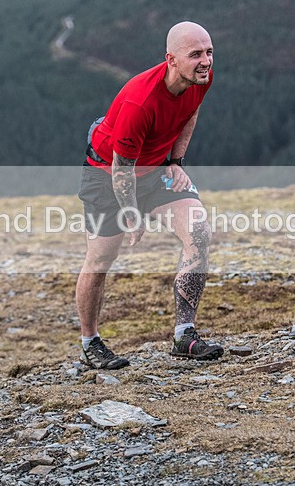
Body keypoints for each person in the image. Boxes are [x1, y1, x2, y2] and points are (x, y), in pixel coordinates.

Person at [75, 21, 224, 369]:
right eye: (196, 55)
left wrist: (175, 161)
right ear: (170, 59)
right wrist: (131, 214)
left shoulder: (200, 79)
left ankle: (184, 335)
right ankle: (90, 342)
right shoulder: (138, 101)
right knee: (100, 260)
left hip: (156, 170)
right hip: (107, 176)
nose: (206, 61)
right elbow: (121, 169)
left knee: (199, 232)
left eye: (209, 52)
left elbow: (190, 113)